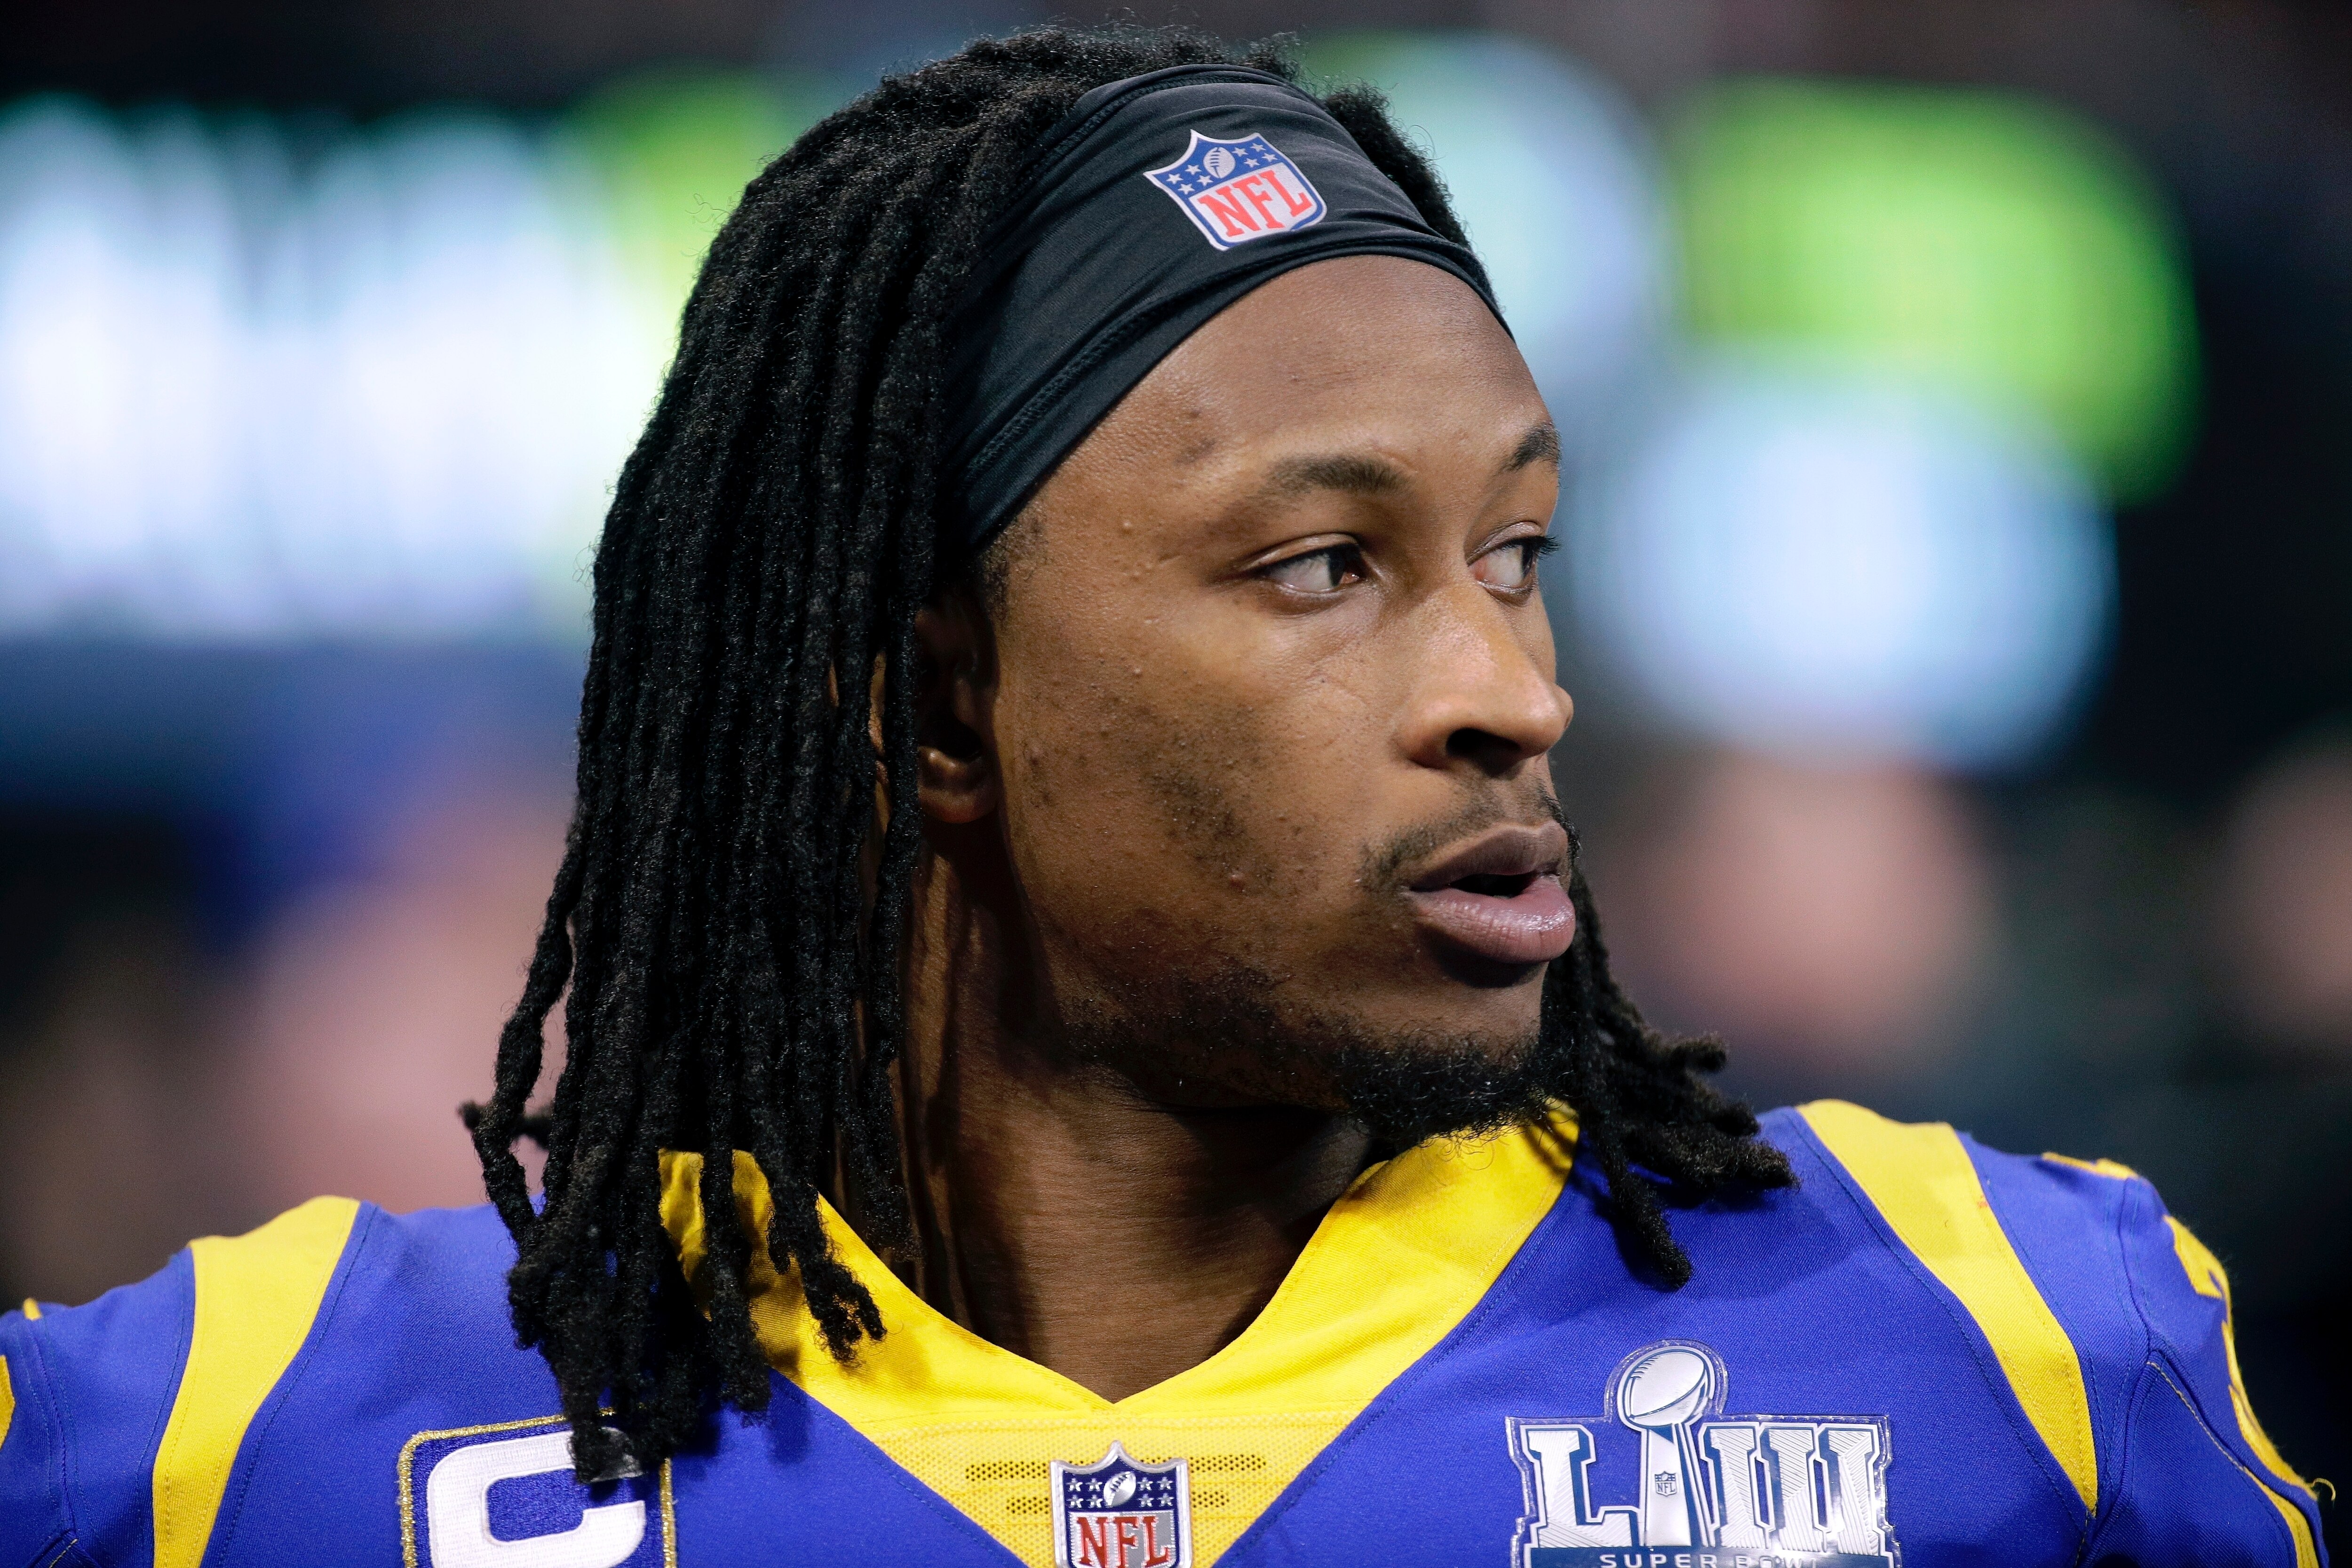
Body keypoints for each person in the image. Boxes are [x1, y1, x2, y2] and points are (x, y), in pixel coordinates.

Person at [0, 28, 2326, 1568]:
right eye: (1320, 569)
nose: (1508, 693)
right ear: (934, 704)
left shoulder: (2016, 1342)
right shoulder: (244, 1436)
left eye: (1512, 555)